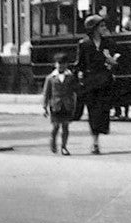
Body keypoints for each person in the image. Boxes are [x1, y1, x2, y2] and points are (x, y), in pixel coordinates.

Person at [76, 14, 118, 154]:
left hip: (105, 81)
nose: (104, 28)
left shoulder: (109, 43)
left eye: (104, 25)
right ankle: (95, 142)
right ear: (93, 28)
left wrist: (112, 61)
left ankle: (99, 134)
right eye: (101, 26)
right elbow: (80, 64)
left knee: (103, 110)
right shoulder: (84, 44)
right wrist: (80, 77)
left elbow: (115, 60)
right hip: (91, 82)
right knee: (93, 112)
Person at [42, 53, 77, 155]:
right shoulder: (50, 78)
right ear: (55, 64)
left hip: (67, 105)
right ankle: (53, 142)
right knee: (55, 126)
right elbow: (46, 93)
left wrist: (74, 105)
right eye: (59, 63)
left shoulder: (70, 77)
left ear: (67, 64)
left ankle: (64, 147)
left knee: (65, 126)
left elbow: (74, 91)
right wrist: (44, 107)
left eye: (63, 63)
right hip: (55, 105)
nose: (61, 66)